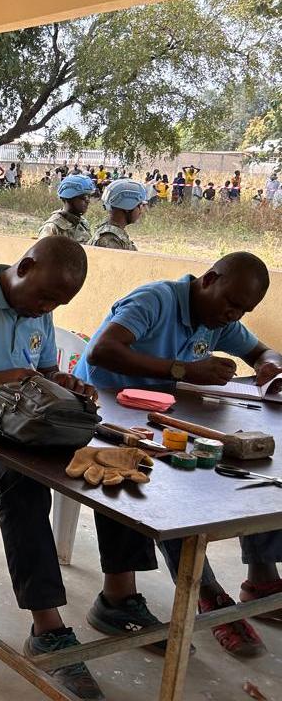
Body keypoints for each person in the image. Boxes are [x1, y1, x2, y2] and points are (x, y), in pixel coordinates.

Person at [0, 236, 161, 701]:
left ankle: (118, 596)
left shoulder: (38, 307)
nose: (46, 309)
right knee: (22, 485)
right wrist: (1, 378)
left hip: (13, 429)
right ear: (24, 267)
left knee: (108, 459)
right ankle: (48, 630)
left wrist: (61, 382)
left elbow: (39, 372)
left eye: (57, 304)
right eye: (44, 298)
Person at [73, 252, 282, 656]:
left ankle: (261, 576)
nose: (234, 315)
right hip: (106, 412)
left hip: (164, 416)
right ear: (209, 279)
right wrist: (182, 370)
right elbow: (101, 351)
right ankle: (199, 592)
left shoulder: (218, 319)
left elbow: (263, 352)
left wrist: (270, 365)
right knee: (164, 480)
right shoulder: (155, 300)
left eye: (244, 310)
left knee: (256, 459)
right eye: (232, 304)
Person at [88, 179, 145, 251]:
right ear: (128, 207)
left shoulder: (112, 231)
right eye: (139, 205)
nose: (141, 210)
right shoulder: (110, 239)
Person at [38, 175, 96, 243]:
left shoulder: (83, 223)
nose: (88, 201)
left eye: (89, 196)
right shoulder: (52, 227)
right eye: (84, 197)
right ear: (69, 198)